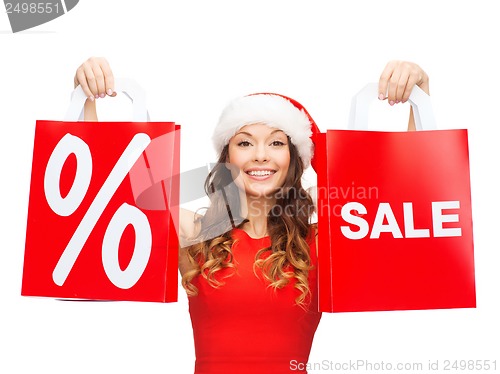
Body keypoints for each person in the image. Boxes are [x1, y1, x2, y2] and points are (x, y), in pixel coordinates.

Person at [73, 57, 430, 373]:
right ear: (227, 157)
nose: (261, 155)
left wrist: (418, 89)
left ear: (294, 158)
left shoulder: (323, 242)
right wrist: (87, 92)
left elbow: (403, 201)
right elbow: (107, 196)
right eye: (245, 142)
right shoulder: (193, 233)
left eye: (276, 142)